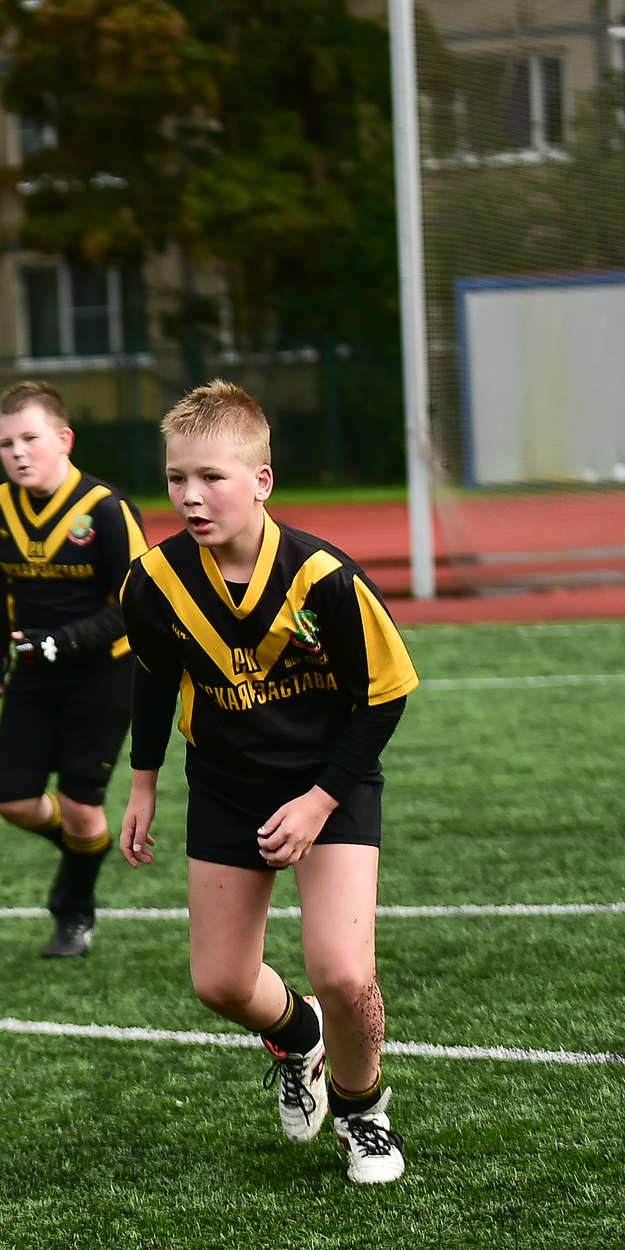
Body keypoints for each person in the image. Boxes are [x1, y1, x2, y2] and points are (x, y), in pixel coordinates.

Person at [116, 382, 420, 1184]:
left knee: (346, 973)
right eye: (178, 477)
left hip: (331, 781)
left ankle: (364, 1113)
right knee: (219, 982)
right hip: (225, 783)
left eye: (211, 477)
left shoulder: (326, 579)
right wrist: (143, 782)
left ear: (262, 481)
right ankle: (298, 1038)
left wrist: (321, 802)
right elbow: (152, 676)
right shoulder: (151, 580)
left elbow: (383, 697)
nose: (189, 496)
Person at [0, 380, 149, 959]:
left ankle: (74, 912)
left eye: (30, 438)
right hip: (34, 669)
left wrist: (63, 640)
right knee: (14, 801)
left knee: (81, 806)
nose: (18, 452)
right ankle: (86, 845)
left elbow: (136, 606)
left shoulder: (107, 509)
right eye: (6, 442)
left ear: (64, 439)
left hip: (104, 675)